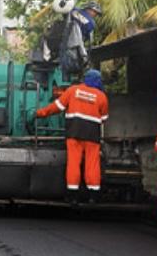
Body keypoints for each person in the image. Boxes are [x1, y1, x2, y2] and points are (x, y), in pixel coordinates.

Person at [36, 69, 109, 202]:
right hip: (92, 136)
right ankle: (93, 196)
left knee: (74, 163)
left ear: (84, 79)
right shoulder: (102, 96)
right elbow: (104, 118)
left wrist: (40, 113)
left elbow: (56, 107)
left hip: (74, 133)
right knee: (92, 164)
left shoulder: (72, 90)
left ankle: (72, 196)